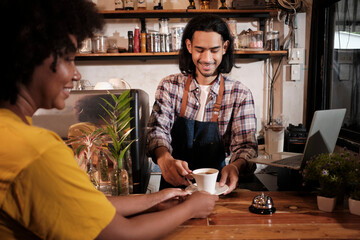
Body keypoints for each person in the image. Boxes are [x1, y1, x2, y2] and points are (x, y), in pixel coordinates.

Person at [0, 0, 218, 239]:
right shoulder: (37, 150)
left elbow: (84, 205)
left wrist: (155, 199)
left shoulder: (10, 132)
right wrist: (190, 209)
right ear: (31, 57)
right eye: (69, 59)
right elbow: (122, 235)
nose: (76, 74)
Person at [146, 14, 258, 194]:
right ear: (189, 46)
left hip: (217, 189)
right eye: (200, 49)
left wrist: (235, 167)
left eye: (214, 50)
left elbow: (246, 146)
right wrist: (164, 159)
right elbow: (157, 131)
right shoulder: (170, 86)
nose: (206, 59)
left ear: (225, 47)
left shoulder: (239, 94)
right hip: (174, 189)